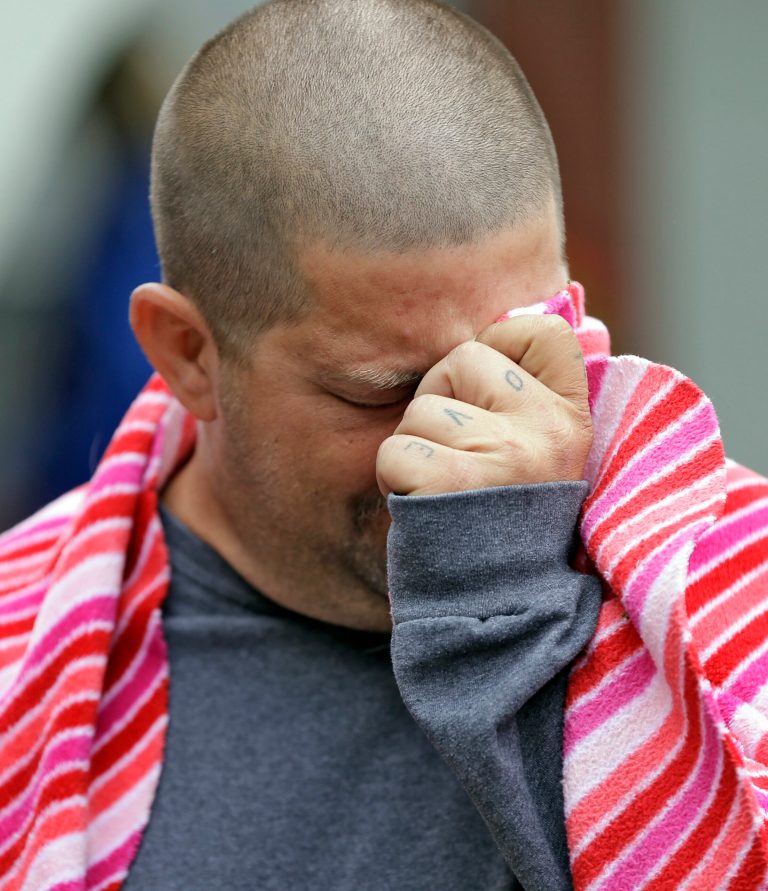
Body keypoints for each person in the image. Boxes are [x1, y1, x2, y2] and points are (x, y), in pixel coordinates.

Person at [3, 2, 768, 890]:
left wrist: (510, 614)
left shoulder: (726, 590)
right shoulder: (26, 660)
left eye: (522, 352)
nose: (476, 427)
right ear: (188, 353)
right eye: (385, 392)